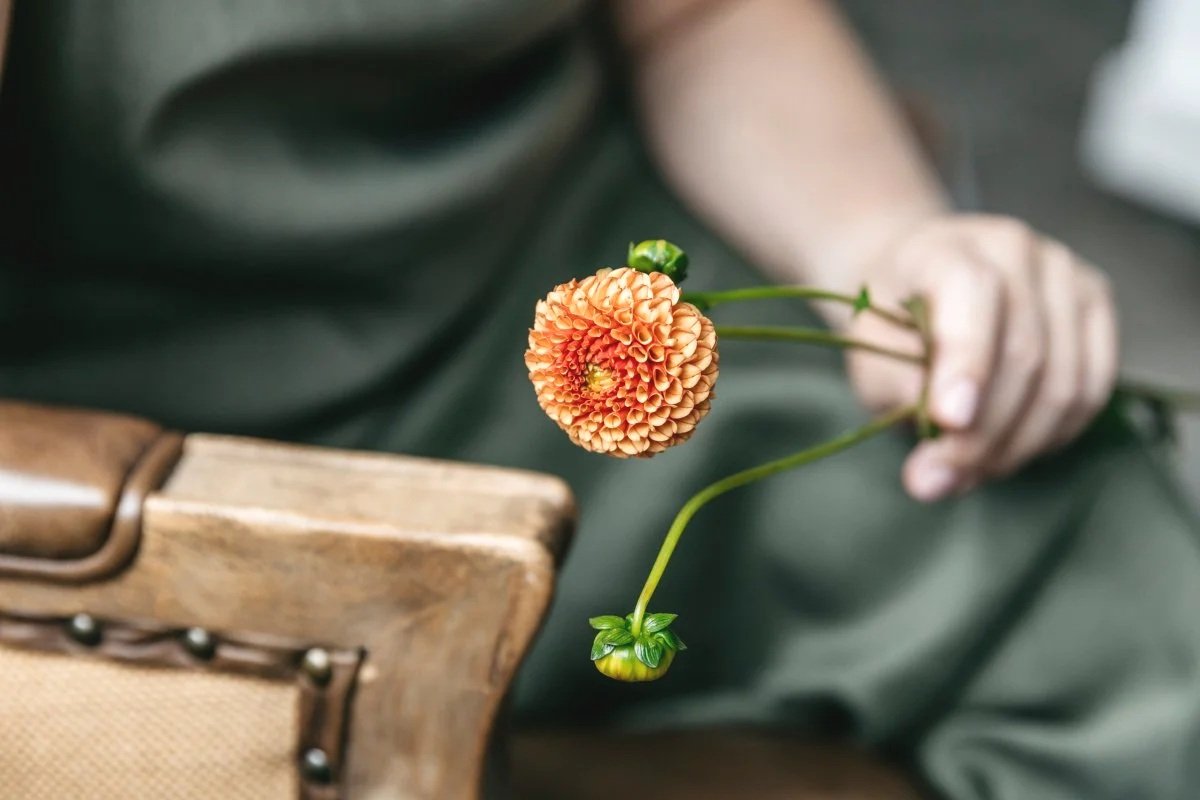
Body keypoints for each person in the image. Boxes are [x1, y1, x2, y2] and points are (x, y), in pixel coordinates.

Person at [0, 1, 1196, 797]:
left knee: (1096, 557)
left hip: (564, 275)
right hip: (121, 416)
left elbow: (698, 13)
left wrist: (885, 240)